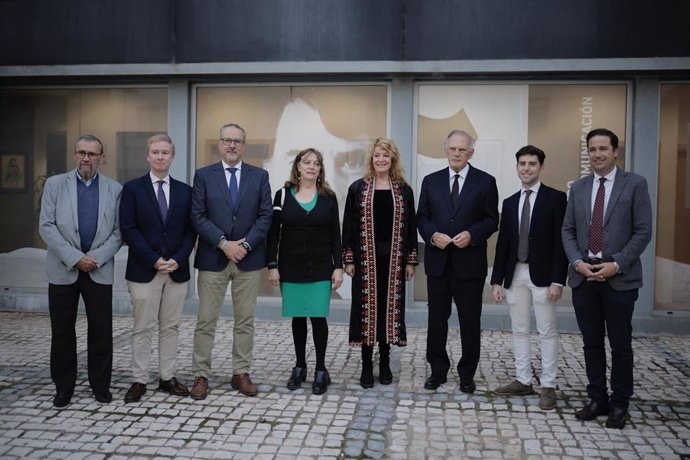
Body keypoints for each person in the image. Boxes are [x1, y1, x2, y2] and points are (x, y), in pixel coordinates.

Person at [562, 128, 652, 429]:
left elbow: (643, 231)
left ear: (616, 152)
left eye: (603, 148)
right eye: (592, 149)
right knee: (591, 342)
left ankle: (620, 404)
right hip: (584, 278)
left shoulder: (635, 184)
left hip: (618, 280)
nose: (597, 154)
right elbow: (568, 230)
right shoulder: (579, 187)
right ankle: (597, 398)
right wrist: (577, 262)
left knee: (620, 344)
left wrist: (617, 263)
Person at [39, 134, 123, 407]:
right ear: (75, 155)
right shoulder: (54, 185)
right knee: (62, 331)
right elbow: (47, 227)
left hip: (98, 269)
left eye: (92, 153)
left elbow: (118, 232)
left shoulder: (114, 189)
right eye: (81, 152)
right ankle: (63, 387)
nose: (86, 158)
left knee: (101, 331)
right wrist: (76, 258)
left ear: (102, 158)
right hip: (64, 269)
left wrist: (95, 258)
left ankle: (100, 387)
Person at [190, 123, 272, 399]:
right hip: (214, 257)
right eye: (227, 140)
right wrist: (224, 244)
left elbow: (265, 217)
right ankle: (201, 375)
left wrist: (245, 245)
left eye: (237, 141)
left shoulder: (259, 176)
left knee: (245, 320)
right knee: (205, 320)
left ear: (244, 145)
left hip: (248, 260)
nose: (232, 145)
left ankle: (241, 372)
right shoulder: (203, 176)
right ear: (220, 144)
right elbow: (197, 215)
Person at [417, 130, 499, 393]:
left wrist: (473, 235)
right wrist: (432, 236)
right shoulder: (431, 181)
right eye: (452, 148)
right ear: (446, 150)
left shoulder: (486, 182)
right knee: (436, 321)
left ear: (471, 153)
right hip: (438, 263)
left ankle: (467, 374)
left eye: (462, 150)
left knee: (470, 321)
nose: (456, 153)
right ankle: (437, 371)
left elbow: (491, 220)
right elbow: (422, 218)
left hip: (470, 264)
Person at [119, 134, 196, 403]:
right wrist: (153, 258)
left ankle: (167, 377)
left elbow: (191, 231)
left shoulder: (186, 191)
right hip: (144, 270)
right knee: (143, 326)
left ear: (172, 156)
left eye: (165, 152)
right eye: (155, 152)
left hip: (176, 270)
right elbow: (128, 229)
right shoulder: (132, 189)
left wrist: (179, 258)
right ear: (147, 156)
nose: (160, 156)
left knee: (171, 326)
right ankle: (139, 379)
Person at [490, 145, 568, 410]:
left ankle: (548, 385)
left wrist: (559, 280)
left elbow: (561, 242)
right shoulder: (510, 202)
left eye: (532, 164)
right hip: (516, 274)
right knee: (519, 329)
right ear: (517, 167)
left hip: (544, 277)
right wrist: (497, 280)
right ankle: (523, 380)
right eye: (522, 164)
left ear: (541, 167)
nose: (526, 168)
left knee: (547, 331)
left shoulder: (556, 199)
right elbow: (503, 244)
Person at [342, 138, 418, 388]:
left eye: (385, 155)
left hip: (395, 260)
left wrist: (410, 260)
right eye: (377, 155)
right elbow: (349, 226)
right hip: (366, 260)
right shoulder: (358, 188)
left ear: (393, 159)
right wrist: (349, 258)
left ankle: (384, 361)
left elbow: (411, 227)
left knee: (388, 310)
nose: (381, 160)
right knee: (366, 310)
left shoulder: (404, 190)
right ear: (371, 159)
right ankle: (366, 364)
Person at [267, 148, 344, 395]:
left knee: (318, 317)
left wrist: (339, 267)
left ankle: (321, 369)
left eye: (316, 163)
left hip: (321, 267)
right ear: (298, 166)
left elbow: (335, 234)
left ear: (320, 169)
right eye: (307, 162)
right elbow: (273, 235)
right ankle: (300, 366)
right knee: (298, 317)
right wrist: (272, 266)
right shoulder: (281, 196)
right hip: (291, 267)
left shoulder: (328, 197)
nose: (312, 166)